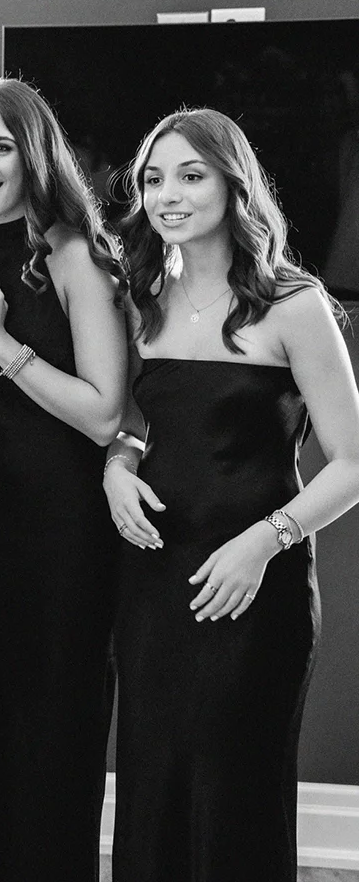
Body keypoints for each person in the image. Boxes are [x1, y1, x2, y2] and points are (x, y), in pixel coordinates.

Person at [104, 109, 359, 882]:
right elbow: (135, 423)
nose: (168, 195)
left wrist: (265, 540)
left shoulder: (295, 304)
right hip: (153, 583)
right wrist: (117, 465)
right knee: (154, 788)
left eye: (191, 175)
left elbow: (352, 461)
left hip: (257, 589)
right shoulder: (140, 298)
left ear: (233, 183)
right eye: (154, 179)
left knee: (234, 790)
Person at [0, 78, 126, 882]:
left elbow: (105, 414)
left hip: (64, 534)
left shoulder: (74, 255)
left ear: (33, 155)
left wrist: (2, 343)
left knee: (55, 737)